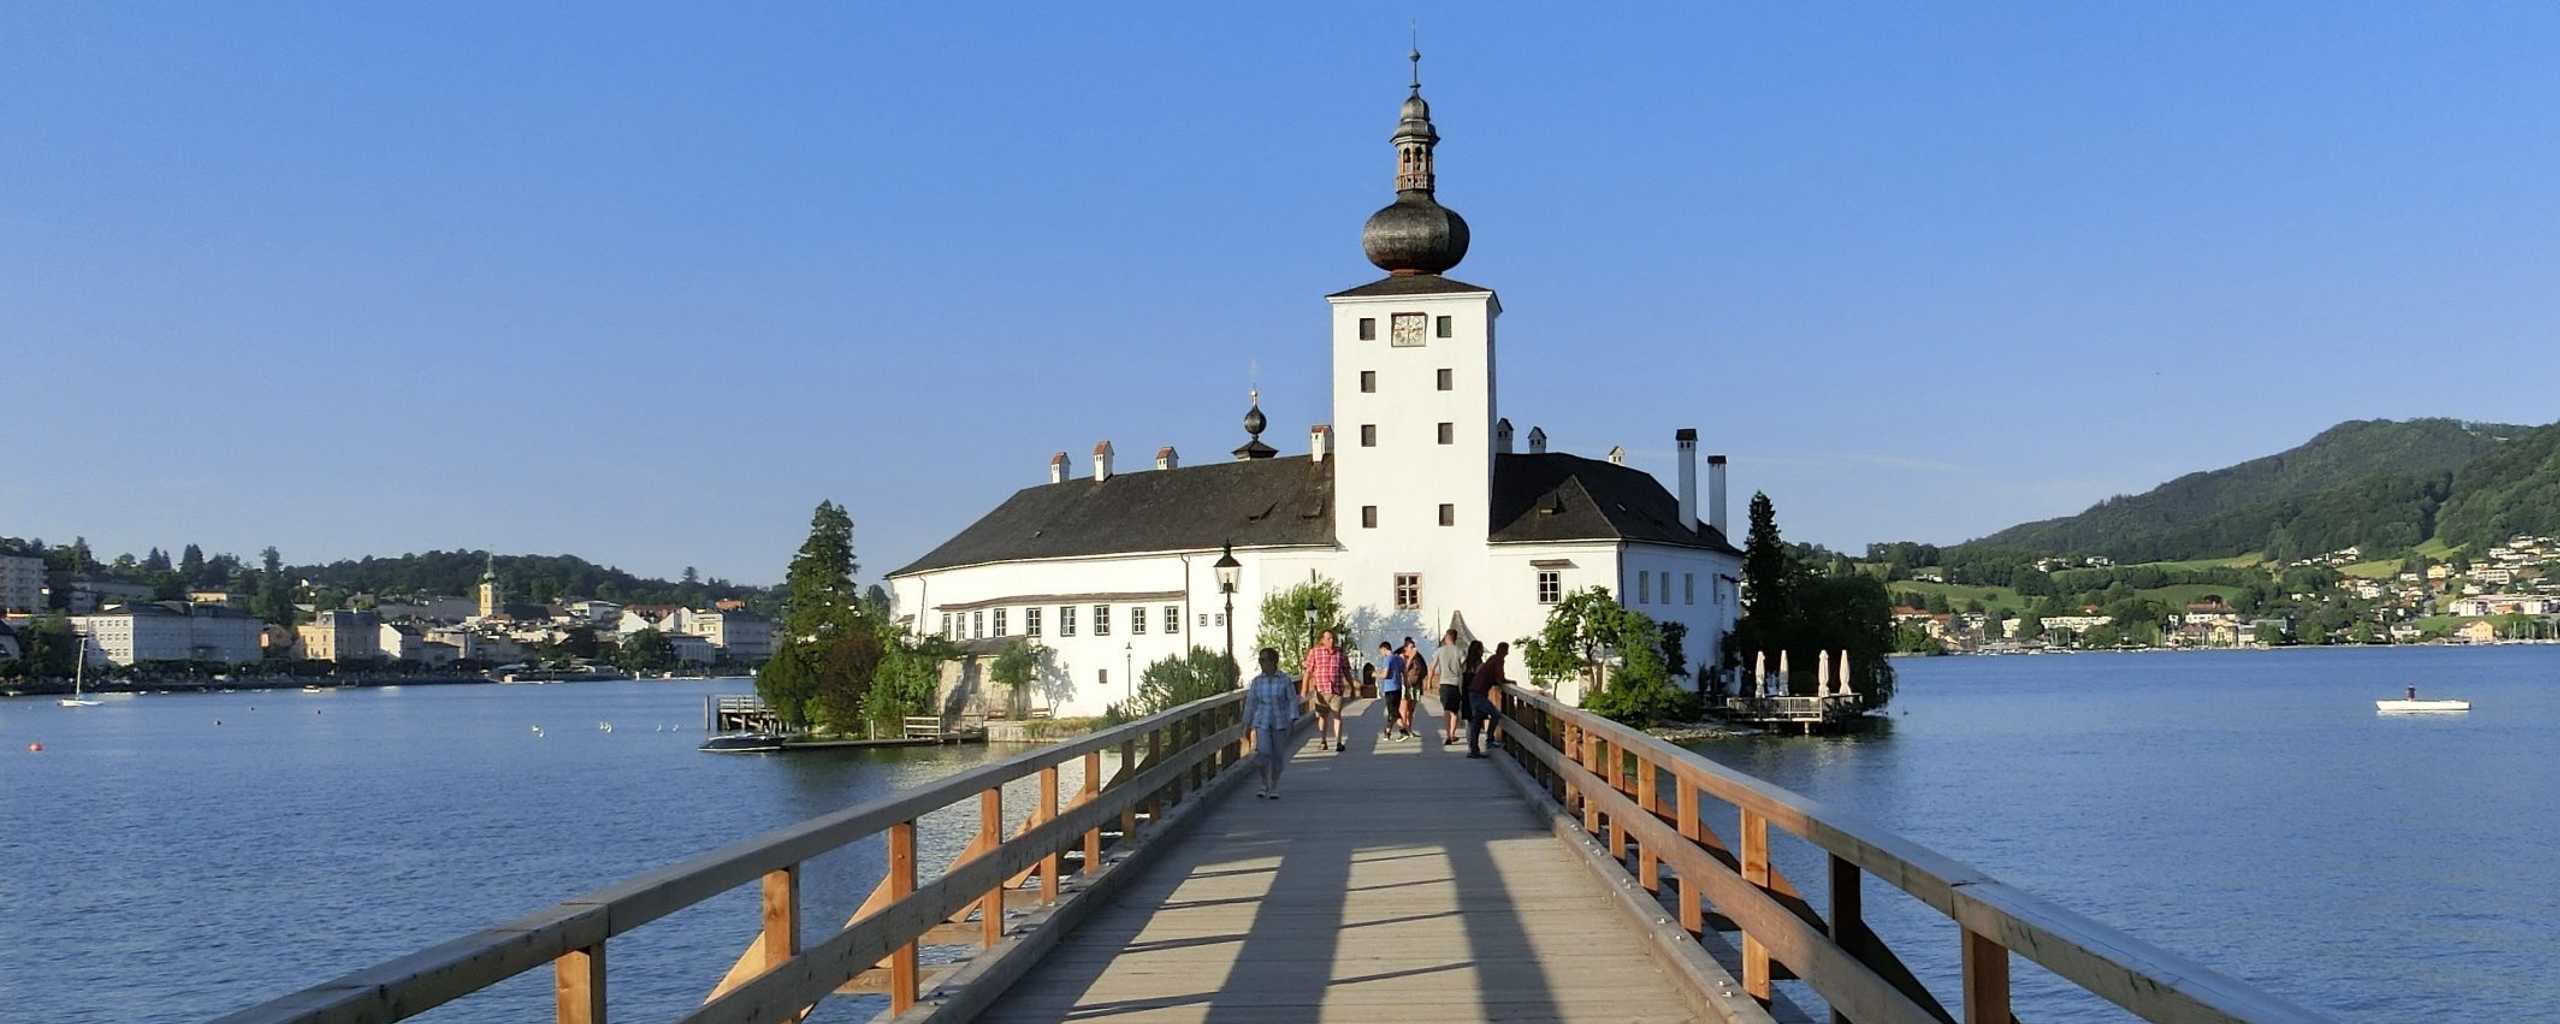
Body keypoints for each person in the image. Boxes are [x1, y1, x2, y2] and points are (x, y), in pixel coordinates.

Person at [1244, 647, 1298, 799]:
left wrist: (1293, 718)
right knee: (1263, 752)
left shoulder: (1284, 680)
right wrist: (1246, 723)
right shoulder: (1257, 681)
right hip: (1262, 721)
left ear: (1273, 662)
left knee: (1277, 756)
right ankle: (1263, 783)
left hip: (1280, 721)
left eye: (1264, 660)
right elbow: (1251, 703)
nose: (1261, 663)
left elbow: (1292, 700)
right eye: (1260, 660)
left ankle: (1274, 785)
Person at [1301, 629, 1348, 752]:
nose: (1331, 641)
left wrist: (1352, 687)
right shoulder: (1315, 652)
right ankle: (1323, 740)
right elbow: (1308, 671)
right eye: (1328, 639)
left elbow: (1346, 670)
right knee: (1323, 717)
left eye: (1333, 638)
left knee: (1337, 716)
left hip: (1336, 689)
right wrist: (1304, 689)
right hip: (1321, 690)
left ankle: (1338, 742)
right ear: (1322, 640)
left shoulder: (1340, 653)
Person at [1466, 641, 1508, 759]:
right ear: (1504, 651)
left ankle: (1474, 750)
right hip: (1479, 694)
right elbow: (1500, 678)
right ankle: (1490, 740)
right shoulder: (1498, 660)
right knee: (1495, 715)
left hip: (1473, 692)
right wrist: (1507, 682)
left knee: (1477, 721)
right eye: (1506, 651)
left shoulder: (1491, 659)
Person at [1431, 629, 1469, 745]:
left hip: (1443, 683)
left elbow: (1432, 667)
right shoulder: (1459, 651)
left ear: (1447, 637)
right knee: (1454, 711)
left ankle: (1447, 734)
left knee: (1446, 710)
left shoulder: (1440, 651)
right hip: (1455, 683)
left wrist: (1429, 682)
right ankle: (1452, 734)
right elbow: (1463, 665)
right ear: (1455, 638)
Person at [1376, 640, 1405, 741]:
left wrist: (1375, 674)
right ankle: (1387, 732)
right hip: (1398, 687)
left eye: (1381, 651)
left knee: (1393, 711)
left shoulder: (1388, 659)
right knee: (1393, 711)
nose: (1381, 654)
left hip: (1390, 688)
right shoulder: (1399, 659)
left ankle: (1403, 731)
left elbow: (1385, 675)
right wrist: (1406, 684)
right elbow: (1403, 672)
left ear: (1384, 649)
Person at [1398, 637, 1425, 738]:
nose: (1414, 649)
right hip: (1406, 685)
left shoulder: (1417, 658)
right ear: (1406, 648)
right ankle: (1403, 729)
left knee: (1411, 709)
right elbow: (1403, 669)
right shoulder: (1402, 657)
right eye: (1411, 647)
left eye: (1414, 646)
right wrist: (1410, 658)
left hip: (1415, 685)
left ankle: (1409, 729)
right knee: (1404, 708)